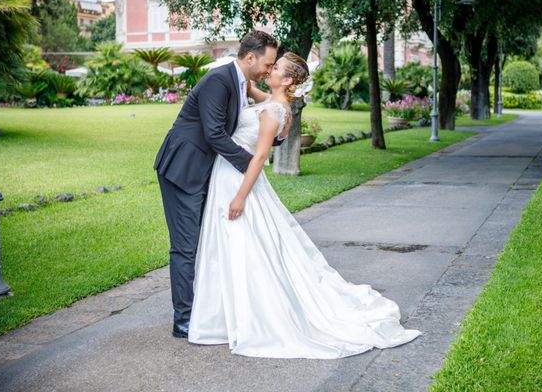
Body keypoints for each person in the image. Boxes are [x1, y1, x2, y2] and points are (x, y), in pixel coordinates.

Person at [188, 52, 421, 359]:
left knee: (244, 246)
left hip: (238, 180)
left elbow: (259, 157)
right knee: (235, 245)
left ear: (286, 80)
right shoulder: (275, 102)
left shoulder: (275, 111)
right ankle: (223, 315)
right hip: (229, 175)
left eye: (275, 69)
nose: (268, 70)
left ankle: (247, 317)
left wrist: (241, 196)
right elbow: (253, 92)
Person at [154, 30, 279, 338]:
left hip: (206, 169)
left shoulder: (241, 82)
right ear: (250, 57)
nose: (269, 71)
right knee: (186, 246)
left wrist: (282, 108)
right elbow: (214, 134)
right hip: (183, 169)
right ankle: (183, 320)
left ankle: (204, 310)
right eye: (268, 63)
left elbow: (267, 108)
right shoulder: (218, 79)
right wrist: (250, 165)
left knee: (207, 239)